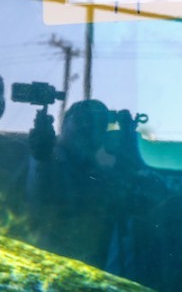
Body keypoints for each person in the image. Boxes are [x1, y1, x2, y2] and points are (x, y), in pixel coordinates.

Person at [24, 99, 120, 266]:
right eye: (81, 119)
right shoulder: (41, 159)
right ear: (63, 124)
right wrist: (40, 157)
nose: (86, 127)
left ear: (103, 137)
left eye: (96, 124)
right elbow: (36, 198)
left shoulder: (105, 178)